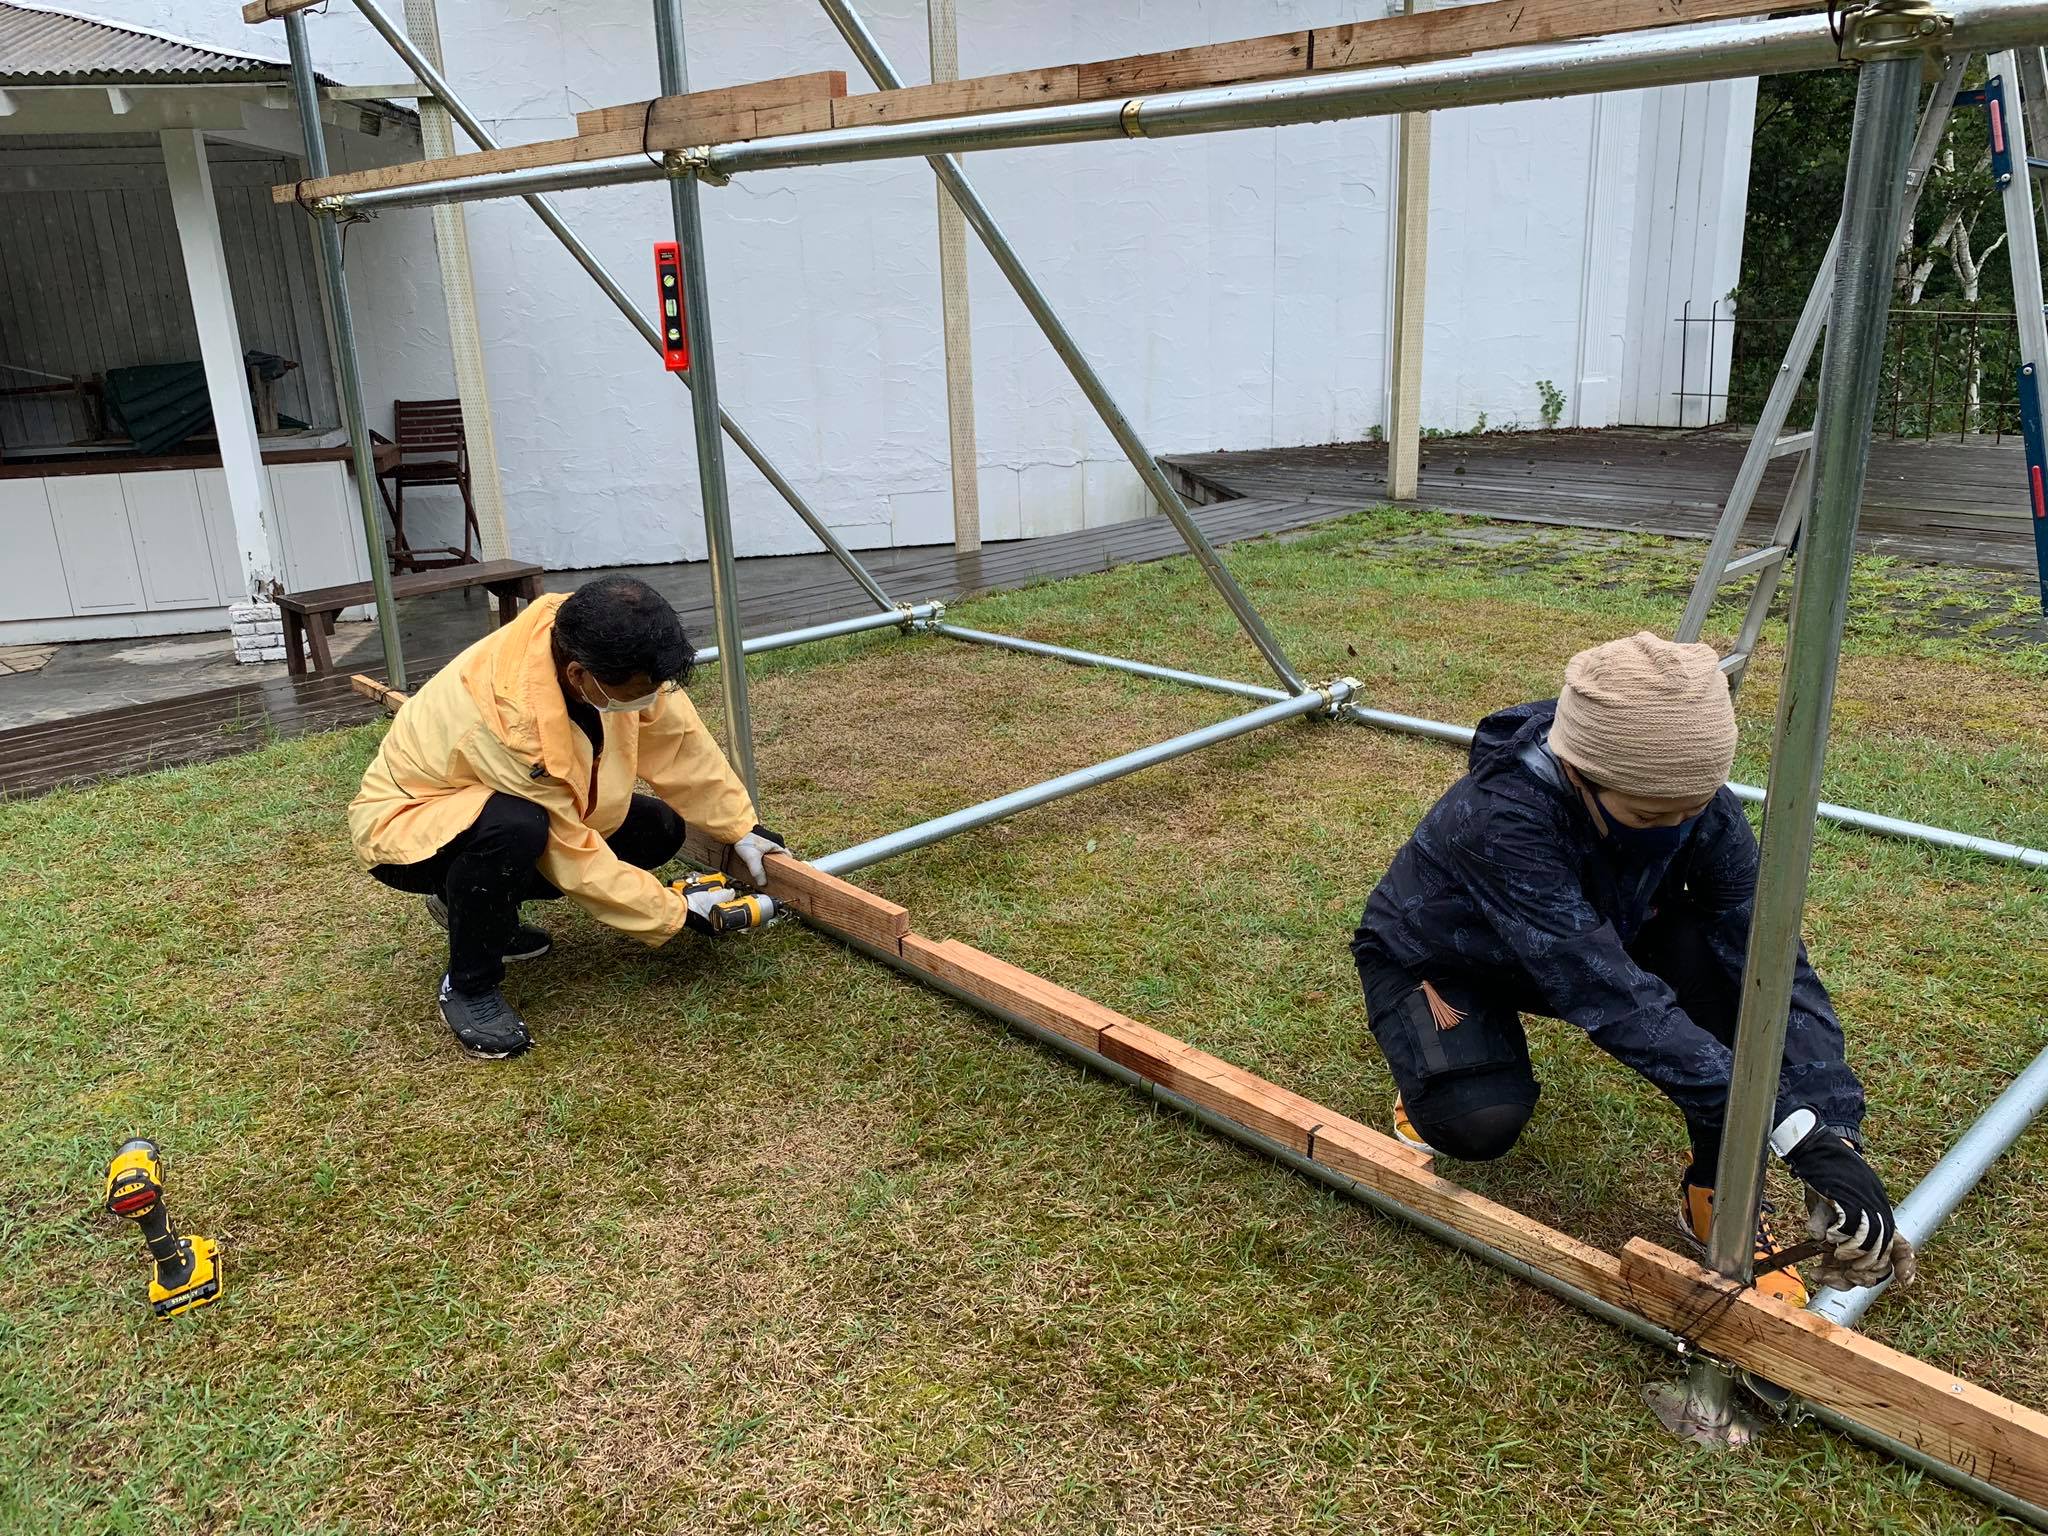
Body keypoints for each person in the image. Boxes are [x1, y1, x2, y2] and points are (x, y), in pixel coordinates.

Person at [1350, 631, 1906, 1303]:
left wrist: (1833, 1132)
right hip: (1442, 955)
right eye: (1649, 813)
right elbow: (1612, 997)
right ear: (1581, 776)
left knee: (1725, 981)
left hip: (1594, 937)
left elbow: (1771, 965)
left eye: (1693, 809)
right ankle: (1429, 1080)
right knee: (1477, 1120)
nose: (1676, 826)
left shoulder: (1704, 808)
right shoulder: (1499, 820)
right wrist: (1789, 1127)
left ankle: (1718, 1194)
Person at [349, 576, 784, 1060]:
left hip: (506, 808)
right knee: (516, 830)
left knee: (658, 830)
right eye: (640, 691)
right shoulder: (511, 718)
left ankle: (471, 908)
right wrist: (672, 914)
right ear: (579, 675)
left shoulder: (601, 643)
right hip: (410, 829)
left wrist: (739, 826)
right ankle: (469, 985)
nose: (649, 699)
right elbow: (570, 852)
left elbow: (678, 742)